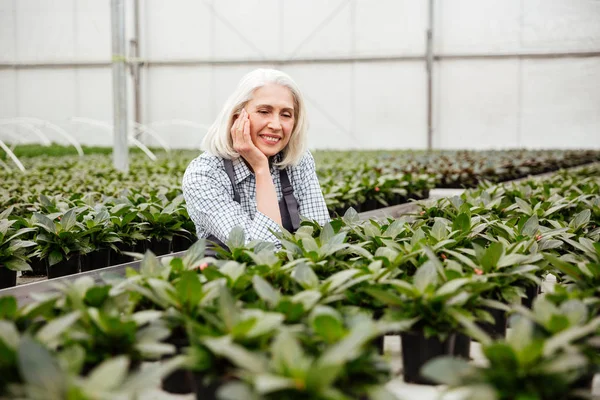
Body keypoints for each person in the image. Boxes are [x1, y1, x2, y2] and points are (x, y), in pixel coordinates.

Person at [182, 68, 330, 254]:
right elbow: (262, 251)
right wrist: (261, 168)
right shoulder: (204, 175)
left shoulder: (299, 161)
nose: (276, 125)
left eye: (286, 114)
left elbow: (319, 237)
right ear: (237, 118)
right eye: (264, 111)